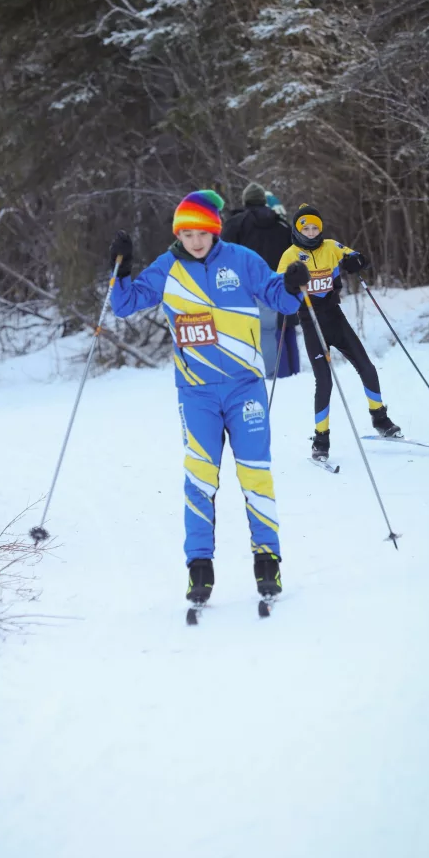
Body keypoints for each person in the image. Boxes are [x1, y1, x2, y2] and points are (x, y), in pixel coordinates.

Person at [109, 189, 302, 606]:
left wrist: (293, 283)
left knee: (255, 474)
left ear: (215, 229)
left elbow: (280, 298)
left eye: (203, 232)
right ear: (180, 233)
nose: (196, 241)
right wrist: (120, 270)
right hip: (196, 393)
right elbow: (124, 306)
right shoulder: (168, 268)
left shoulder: (242, 260)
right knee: (200, 480)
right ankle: (199, 568)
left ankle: (267, 561)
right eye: (188, 233)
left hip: (244, 387)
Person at [277, 204, 402, 462]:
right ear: (297, 230)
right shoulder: (290, 254)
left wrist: (355, 261)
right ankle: (321, 440)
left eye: (315, 228)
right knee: (324, 381)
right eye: (306, 229)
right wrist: (290, 282)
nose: (311, 233)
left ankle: (380, 419)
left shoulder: (331, 247)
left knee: (367, 367)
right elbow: (278, 286)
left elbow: (356, 256)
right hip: (311, 322)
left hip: (335, 317)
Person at [222, 182, 298, 380]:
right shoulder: (281, 223)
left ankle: (269, 376)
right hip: (282, 283)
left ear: (245, 201)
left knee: (260, 331)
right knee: (286, 327)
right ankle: (294, 375)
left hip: (250, 286)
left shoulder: (235, 224)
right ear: (264, 201)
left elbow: (223, 254)